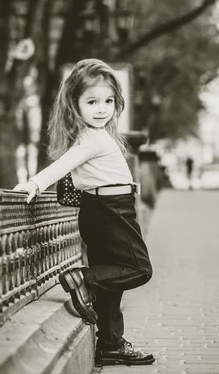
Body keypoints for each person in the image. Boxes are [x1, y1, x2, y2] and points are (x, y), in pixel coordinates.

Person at [13, 58, 154, 366]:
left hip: (102, 210)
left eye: (108, 101)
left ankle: (110, 344)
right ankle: (83, 279)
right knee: (139, 269)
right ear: (75, 104)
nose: (102, 108)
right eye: (92, 102)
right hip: (111, 211)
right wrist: (35, 184)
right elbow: (63, 166)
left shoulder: (95, 135)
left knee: (112, 283)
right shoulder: (91, 138)